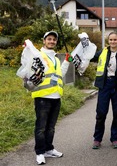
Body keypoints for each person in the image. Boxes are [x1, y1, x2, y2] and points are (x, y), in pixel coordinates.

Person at [29, 31, 70, 165]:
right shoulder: (38, 55)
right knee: (41, 127)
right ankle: (40, 152)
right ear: (44, 40)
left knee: (51, 127)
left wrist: (67, 62)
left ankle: (48, 149)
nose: (52, 41)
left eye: (54, 40)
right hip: (42, 96)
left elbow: (60, 74)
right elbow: (30, 74)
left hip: (56, 96)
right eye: (49, 39)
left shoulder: (56, 59)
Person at [91, 32, 117, 149]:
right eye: (111, 40)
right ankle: (97, 139)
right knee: (101, 113)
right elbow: (90, 57)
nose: (113, 42)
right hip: (104, 86)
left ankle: (115, 138)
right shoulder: (102, 52)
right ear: (108, 41)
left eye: (115, 40)